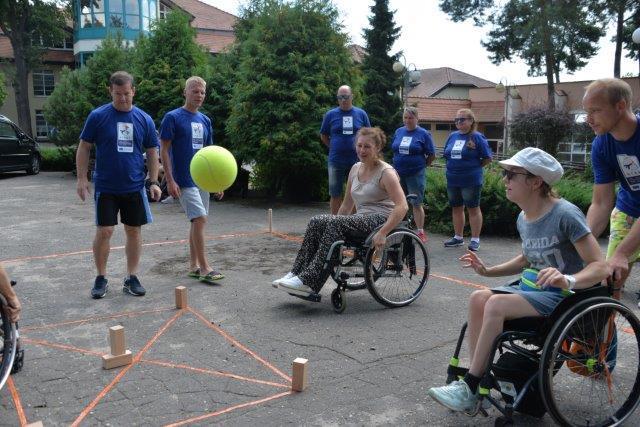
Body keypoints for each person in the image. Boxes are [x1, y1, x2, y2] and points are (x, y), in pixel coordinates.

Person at [427, 147, 609, 413]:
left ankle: (470, 385)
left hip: (563, 297)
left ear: (536, 182)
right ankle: (478, 382)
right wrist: (487, 271)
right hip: (533, 290)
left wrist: (567, 279)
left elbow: (600, 266)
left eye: (512, 174)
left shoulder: (565, 215)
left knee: (497, 305)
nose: (505, 180)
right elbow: (526, 259)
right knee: (478, 297)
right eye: (505, 174)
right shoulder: (523, 217)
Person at [273, 127, 407, 296]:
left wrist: (383, 232)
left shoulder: (386, 172)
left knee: (335, 223)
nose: (362, 150)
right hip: (361, 218)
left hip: (381, 219)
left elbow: (402, 206)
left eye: (367, 147)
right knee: (317, 220)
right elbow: (346, 206)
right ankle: (297, 272)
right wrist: (331, 223)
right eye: (359, 145)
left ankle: (309, 282)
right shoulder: (355, 169)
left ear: (378, 148)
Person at [76, 71, 161, 299]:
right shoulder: (98, 116)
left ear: (133, 91)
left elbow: (153, 151)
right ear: (110, 91)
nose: (123, 98)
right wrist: (81, 178)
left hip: (133, 186)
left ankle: (131, 277)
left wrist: (153, 181)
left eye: (126, 93)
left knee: (133, 230)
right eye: (117, 94)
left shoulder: (144, 119)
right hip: (106, 186)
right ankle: (101, 277)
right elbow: (84, 147)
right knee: (105, 231)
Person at [159, 76, 224, 284]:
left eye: (202, 92)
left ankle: (193, 266)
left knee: (197, 222)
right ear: (185, 92)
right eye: (195, 91)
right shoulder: (173, 117)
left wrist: (218, 183)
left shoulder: (205, 120)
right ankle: (205, 268)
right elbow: (164, 149)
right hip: (183, 179)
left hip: (203, 180)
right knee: (200, 219)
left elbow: (211, 154)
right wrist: (170, 180)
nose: (199, 95)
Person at [583, 78, 640, 305]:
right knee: (609, 282)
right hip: (628, 209)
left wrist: (623, 253)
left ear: (620, 106)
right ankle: (604, 338)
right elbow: (601, 203)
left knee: (620, 257)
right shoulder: (601, 144)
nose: (588, 119)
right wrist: (580, 240)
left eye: (595, 110)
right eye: (586, 112)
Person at [442, 108, 493, 251]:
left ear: (471, 121)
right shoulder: (452, 136)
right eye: (456, 120)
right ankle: (458, 237)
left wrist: (473, 168)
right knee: (456, 208)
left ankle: (475, 239)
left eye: (462, 119)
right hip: (452, 178)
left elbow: (487, 158)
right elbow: (446, 154)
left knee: (473, 208)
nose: (459, 122)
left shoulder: (477, 137)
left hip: (470, 179)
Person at [320, 85, 371, 214]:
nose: (343, 100)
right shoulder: (330, 114)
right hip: (336, 160)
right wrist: (334, 147)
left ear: (352, 97)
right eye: (340, 97)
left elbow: (369, 134)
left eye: (346, 97)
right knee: (335, 193)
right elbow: (324, 135)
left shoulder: (361, 113)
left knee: (356, 192)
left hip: (356, 161)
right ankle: (335, 224)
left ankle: (353, 224)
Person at [391, 106, 436, 243]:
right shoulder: (399, 131)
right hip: (398, 173)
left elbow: (432, 155)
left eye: (411, 118)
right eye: (405, 117)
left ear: (417, 119)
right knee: (399, 202)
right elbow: (395, 149)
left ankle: (420, 231)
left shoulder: (423, 134)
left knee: (416, 203)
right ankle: (400, 228)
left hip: (415, 173)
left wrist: (422, 166)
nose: (408, 120)